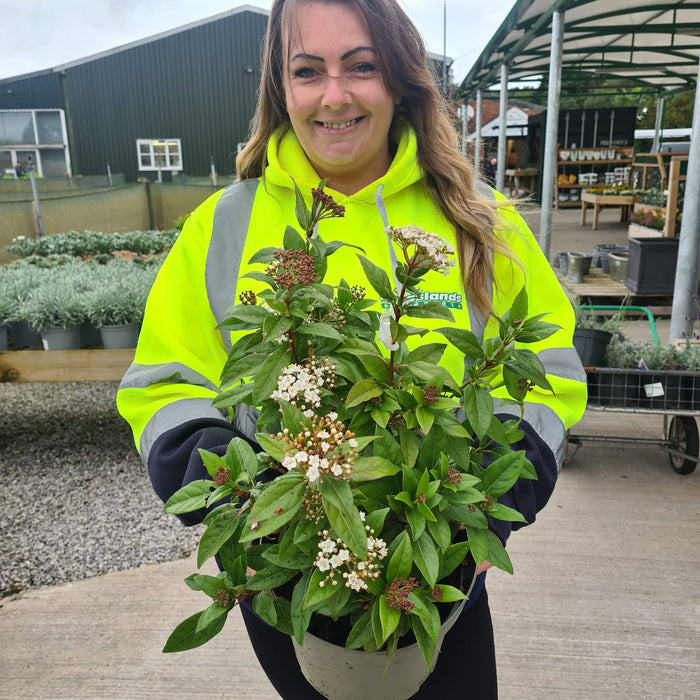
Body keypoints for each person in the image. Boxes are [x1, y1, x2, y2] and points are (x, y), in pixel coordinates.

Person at [117, 1, 587, 697]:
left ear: (399, 80)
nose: (334, 95)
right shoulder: (226, 225)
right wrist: (238, 506)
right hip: (288, 567)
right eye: (308, 71)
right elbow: (165, 380)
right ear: (283, 89)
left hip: (440, 559)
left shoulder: (480, 218)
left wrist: (496, 488)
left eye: (360, 66)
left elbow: (547, 367)